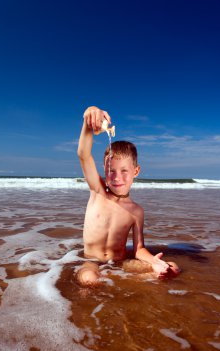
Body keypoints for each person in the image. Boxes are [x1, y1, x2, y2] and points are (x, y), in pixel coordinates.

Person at [75, 106, 180, 286]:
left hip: (120, 263)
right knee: (89, 279)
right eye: (111, 171)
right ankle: (120, 282)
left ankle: (120, 281)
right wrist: (89, 118)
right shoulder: (98, 192)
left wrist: (154, 261)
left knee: (172, 268)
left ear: (136, 171)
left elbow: (139, 249)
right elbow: (83, 155)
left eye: (124, 171)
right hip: (92, 263)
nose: (117, 178)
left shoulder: (136, 211)